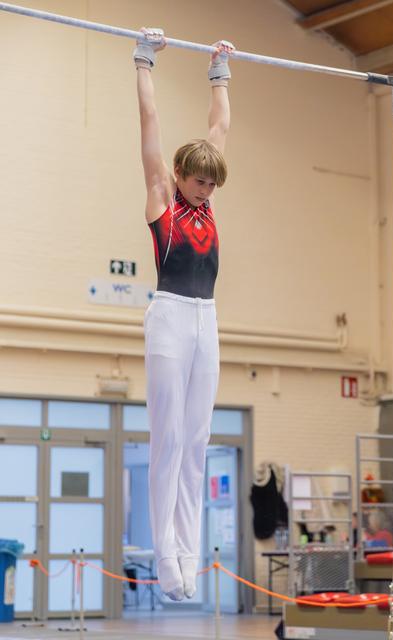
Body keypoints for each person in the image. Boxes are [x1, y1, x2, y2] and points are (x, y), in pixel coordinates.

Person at [134, 28, 234, 601]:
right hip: (170, 314)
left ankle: (187, 563)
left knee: (197, 438)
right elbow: (149, 129)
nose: (205, 192)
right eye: (199, 182)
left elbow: (219, 127)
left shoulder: (208, 193)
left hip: (208, 318)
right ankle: (165, 561)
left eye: (212, 184)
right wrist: (144, 63)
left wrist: (220, 70)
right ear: (178, 175)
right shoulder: (163, 201)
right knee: (168, 436)